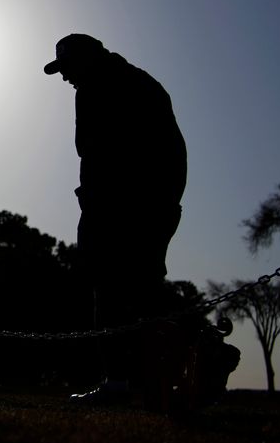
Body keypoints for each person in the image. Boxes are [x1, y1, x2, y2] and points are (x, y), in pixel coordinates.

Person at [44, 33, 187, 405]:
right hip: (121, 205)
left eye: (67, 67)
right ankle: (141, 382)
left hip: (131, 208)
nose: (65, 77)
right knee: (129, 289)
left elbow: (149, 152)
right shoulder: (112, 84)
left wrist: (141, 204)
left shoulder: (122, 86)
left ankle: (134, 382)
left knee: (126, 290)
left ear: (88, 58)